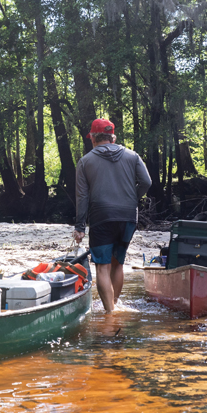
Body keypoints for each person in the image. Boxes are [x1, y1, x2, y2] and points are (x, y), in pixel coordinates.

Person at [72, 117, 152, 313]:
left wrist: (80, 227)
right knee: (118, 263)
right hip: (128, 216)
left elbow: (82, 197)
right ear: (112, 137)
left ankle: (110, 314)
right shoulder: (133, 156)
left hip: (102, 216)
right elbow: (146, 182)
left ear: (92, 138)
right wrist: (133, 198)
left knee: (102, 266)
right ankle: (114, 305)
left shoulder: (85, 162)